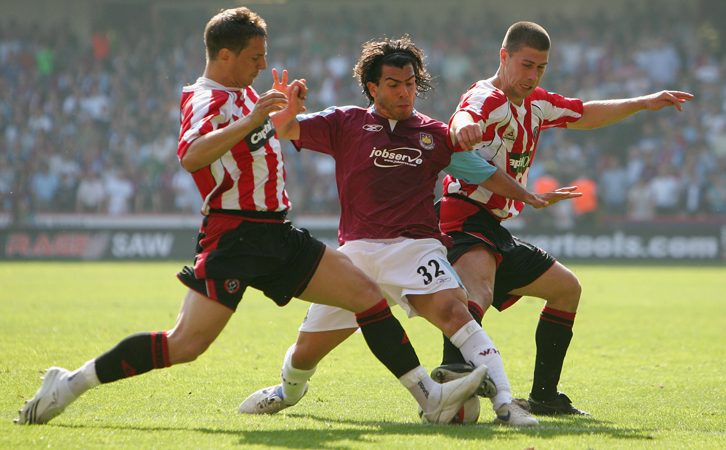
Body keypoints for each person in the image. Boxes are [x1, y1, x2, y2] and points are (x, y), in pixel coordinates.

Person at [15, 8, 490, 426]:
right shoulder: (206, 99)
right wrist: (255, 119)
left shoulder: (246, 93)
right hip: (234, 236)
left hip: (277, 232)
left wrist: (287, 114)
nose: (263, 65)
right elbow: (191, 155)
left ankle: (430, 399)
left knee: (367, 296)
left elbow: (276, 132)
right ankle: (71, 383)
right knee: (186, 345)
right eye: (255, 57)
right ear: (225, 55)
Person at [239, 36, 578, 426]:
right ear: (372, 88)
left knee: (456, 312)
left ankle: (505, 403)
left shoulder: (434, 136)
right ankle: (288, 392)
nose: (405, 92)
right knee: (304, 354)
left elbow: (484, 173)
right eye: (394, 85)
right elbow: (286, 129)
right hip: (356, 256)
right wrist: (287, 109)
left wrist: (528, 196)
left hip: (416, 248)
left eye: (411, 83)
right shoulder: (344, 122)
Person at [433, 21, 692, 416]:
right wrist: (464, 126)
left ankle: (544, 398)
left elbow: (585, 113)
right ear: (504, 58)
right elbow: (463, 116)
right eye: (526, 64)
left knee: (567, 288)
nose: (532, 74)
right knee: (478, 292)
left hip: (493, 225)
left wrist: (642, 101)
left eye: (541, 66)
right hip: (464, 215)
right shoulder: (487, 96)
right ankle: (453, 372)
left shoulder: (536, 102)